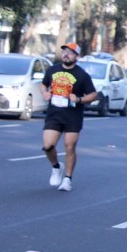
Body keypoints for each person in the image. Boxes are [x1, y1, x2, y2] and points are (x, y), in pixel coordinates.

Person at [40, 43, 97, 192]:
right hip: (54, 114)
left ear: (76, 56)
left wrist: (79, 99)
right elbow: (43, 84)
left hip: (73, 115)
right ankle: (56, 167)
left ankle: (67, 179)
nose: (66, 54)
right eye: (64, 51)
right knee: (48, 146)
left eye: (70, 52)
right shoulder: (52, 70)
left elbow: (93, 94)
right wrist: (45, 93)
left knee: (69, 146)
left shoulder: (82, 75)